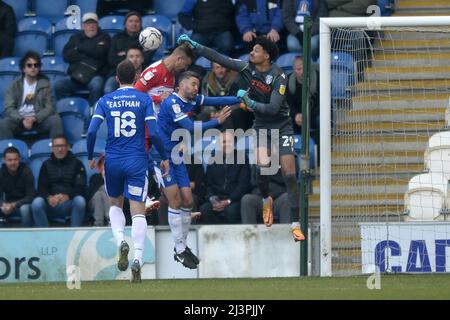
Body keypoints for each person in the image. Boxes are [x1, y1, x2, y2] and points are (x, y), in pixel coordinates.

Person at [178, 34, 306, 241]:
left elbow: (273, 108)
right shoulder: (247, 68)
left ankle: (296, 223)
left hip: (282, 126)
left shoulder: (280, 76)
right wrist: (196, 46)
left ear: (266, 55)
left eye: (255, 50)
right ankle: (266, 201)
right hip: (262, 127)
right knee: (262, 170)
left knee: (290, 174)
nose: (251, 53)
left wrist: (248, 101)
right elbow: (221, 58)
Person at [86, 60, 169, 283]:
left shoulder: (105, 100)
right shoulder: (144, 99)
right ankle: (138, 259)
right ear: (136, 76)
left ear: (116, 78)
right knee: (138, 211)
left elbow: (92, 130)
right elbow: (153, 131)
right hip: (136, 160)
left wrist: (90, 156)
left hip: (112, 160)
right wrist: (165, 157)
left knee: (115, 204)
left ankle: (120, 239)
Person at [155, 70, 237, 269]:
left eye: (196, 84)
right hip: (161, 157)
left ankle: (181, 248)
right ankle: (180, 248)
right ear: (181, 84)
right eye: (192, 84)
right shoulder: (172, 103)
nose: (195, 88)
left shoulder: (191, 99)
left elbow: (213, 99)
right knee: (174, 200)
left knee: (188, 200)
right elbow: (189, 127)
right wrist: (216, 122)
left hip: (177, 155)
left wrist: (239, 97)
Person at [0, 51, 63, 140]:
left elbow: (49, 107)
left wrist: (34, 118)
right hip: (19, 121)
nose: (33, 68)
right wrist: (22, 119)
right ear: (23, 69)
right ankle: (9, 151)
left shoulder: (45, 84)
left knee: (56, 120)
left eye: (36, 65)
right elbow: (9, 108)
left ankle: (57, 149)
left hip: (38, 121)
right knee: (3, 124)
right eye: (29, 65)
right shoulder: (14, 85)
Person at [55, 12, 111, 106]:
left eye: (93, 23)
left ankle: (93, 112)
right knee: (59, 85)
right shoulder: (75, 38)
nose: (91, 26)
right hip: (76, 75)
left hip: (95, 75)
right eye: (88, 24)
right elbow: (66, 55)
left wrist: (79, 48)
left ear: (97, 25)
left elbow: (101, 53)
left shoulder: (105, 37)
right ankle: (66, 108)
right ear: (83, 26)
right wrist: (91, 53)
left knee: (96, 85)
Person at [32, 135, 87, 228]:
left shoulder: (77, 164)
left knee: (80, 201)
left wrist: (68, 196)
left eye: (62, 146)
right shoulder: (46, 165)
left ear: (68, 147)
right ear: (52, 148)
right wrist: (49, 197)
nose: (60, 149)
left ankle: (74, 234)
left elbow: (81, 187)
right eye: (57, 146)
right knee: (37, 203)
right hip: (51, 203)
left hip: (69, 201)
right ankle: (45, 235)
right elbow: (41, 187)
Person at [199, 131, 250, 224]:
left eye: (229, 141)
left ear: (234, 143)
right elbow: (208, 184)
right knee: (204, 209)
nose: (226, 144)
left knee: (231, 212)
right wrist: (212, 199)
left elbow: (243, 184)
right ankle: (213, 237)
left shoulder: (242, 158)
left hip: (234, 200)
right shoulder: (213, 159)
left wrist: (228, 201)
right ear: (219, 144)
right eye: (223, 142)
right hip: (216, 199)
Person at [104, 12, 152, 93]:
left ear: (141, 24)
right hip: (118, 74)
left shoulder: (147, 39)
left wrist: (124, 56)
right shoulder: (116, 38)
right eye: (131, 21)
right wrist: (134, 58)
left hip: (141, 74)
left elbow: (146, 58)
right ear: (125, 24)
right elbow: (111, 60)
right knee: (108, 88)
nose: (134, 24)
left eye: (137, 21)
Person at [0, 147, 35, 227]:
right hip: (8, 203)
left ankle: (28, 234)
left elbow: (30, 196)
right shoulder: (1, 173)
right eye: (10, 160)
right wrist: (3, 204)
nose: (13, 162)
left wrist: (13, 205)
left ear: (19, 159)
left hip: (25, 203)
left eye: (15, 159)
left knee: (24, 209)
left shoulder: (26, 171)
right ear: (4, 160)